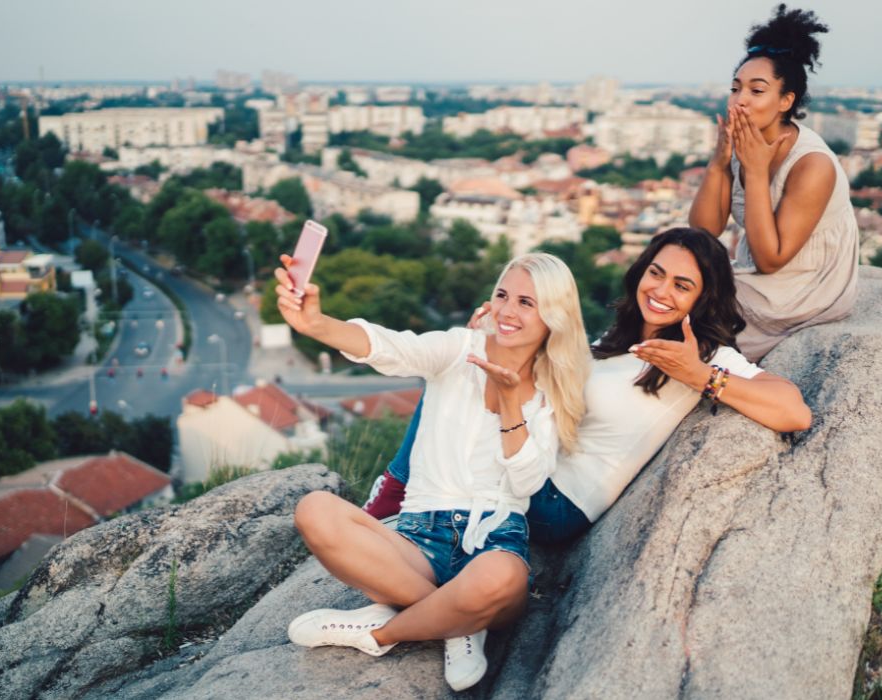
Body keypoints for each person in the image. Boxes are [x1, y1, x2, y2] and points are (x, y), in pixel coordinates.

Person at [366, 227, 812, 547]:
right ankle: (400, 494)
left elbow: (794, 411)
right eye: (655, 273)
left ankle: (392, 494)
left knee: (461, 369)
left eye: (682, 285)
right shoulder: (614, 342)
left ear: (703, 298)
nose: (661, 290)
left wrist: (699, 376)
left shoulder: (706, 355)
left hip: (558, 503)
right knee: (463, 365)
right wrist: (495, 340)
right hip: (532, 466)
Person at [274, 252, 590, 691]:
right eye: (502, 295)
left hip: (493, 542)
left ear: (553, 317)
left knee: (503, 577)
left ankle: (380, 633)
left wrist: (510, 404)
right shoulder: (459, 349)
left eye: (526, 302)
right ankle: (457, 623)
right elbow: (391, 345)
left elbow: (526, 484)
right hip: (418, 540)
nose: (507, 311)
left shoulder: (556, 389)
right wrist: (316, 323)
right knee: (314, 510)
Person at [689, 4, 859, 361]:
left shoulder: (812, 165)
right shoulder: (745, 143)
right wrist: (719, 163)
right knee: (667, 279)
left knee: (684, 318)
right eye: (736, 89)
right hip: (756, 276)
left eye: (756, 90)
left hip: (802, 289)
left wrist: (755, 171)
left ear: (786, 100)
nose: (741, 100)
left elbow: (771, 260)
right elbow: (704, 232)